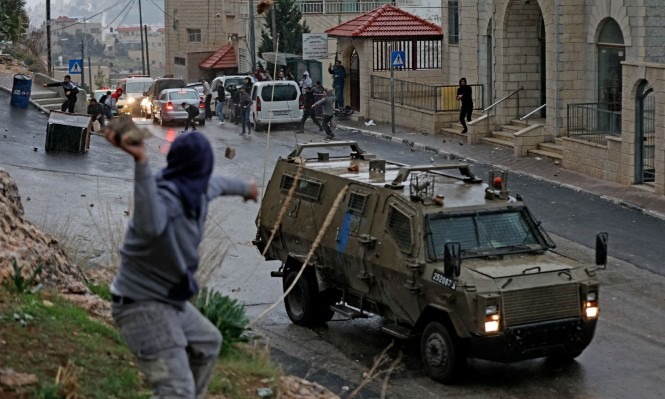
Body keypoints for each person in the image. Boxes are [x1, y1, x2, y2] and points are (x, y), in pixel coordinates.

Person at [103, 120, 258, 399]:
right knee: (176, 390)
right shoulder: (165, 197)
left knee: (208, 343)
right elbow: (150, 223)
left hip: (166, 301)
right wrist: (141, 163)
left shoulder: (197, 190)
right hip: (140, 306)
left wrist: (248, 188)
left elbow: (221, 184)